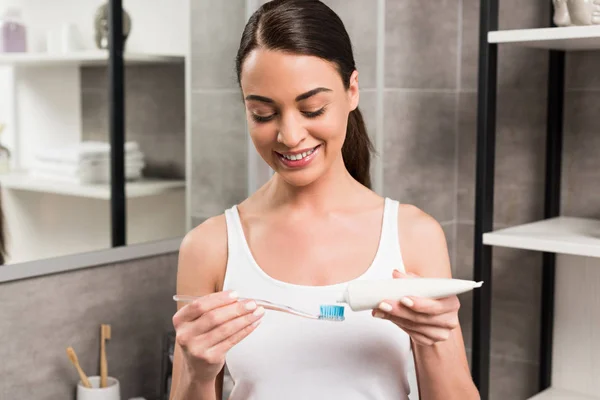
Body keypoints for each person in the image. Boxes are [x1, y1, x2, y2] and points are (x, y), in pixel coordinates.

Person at [170, 1, 479, 399]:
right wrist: (197, 374)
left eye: (312, 108)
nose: (290, 135)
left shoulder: (414, 235)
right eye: (263, 114)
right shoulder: (210, 247)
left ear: (352, 91)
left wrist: (433, 341)